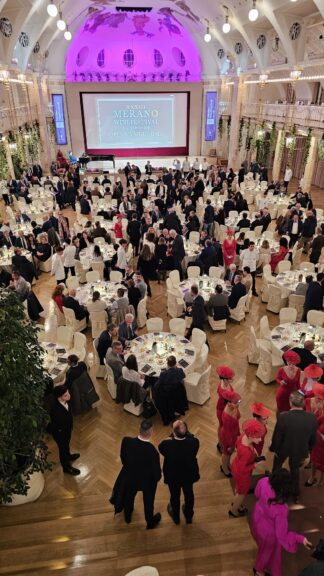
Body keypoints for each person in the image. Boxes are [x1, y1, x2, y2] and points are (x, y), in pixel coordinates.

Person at [251, 469, 313, 576]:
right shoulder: (281, 508)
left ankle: (261, 568)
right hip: (269, 533)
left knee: (264, 549)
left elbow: (257, 494)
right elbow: (282, 535)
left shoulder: (264, 481)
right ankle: (258, 570)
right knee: (266, 552)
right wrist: (300, 539)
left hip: (257, 519)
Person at [270, 390, 317, 502]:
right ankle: (295, 495)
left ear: (290, 402)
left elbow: (277, 437)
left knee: (277, 467)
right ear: (303, 403)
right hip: (300, 449)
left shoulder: (283, 417)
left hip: (283, 449)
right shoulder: (312, 418)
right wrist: (309, 449)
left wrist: (274, 449)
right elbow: (313, 438)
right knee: (295, 471)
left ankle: (273, 487)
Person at [116, 420, 161, 529]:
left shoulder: (126, 441)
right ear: (151, 431)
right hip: (147, 482)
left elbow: (123, 459)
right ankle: (150, 522)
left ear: (139, 428)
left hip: (130, 478)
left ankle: (127, 516)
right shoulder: (153, 452)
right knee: (148, 502)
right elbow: (157, 474)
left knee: (129, 497)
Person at [158, 420, 200, 525]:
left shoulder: (166, 444)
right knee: (189, 493)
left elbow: (161, 449)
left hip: (173, 476)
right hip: (188, 475)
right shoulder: (194, 442)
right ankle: (189, 515)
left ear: (174, 432)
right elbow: (192, 444)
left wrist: (170, 438)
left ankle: (176, 517)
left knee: (174, 496)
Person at [229, 419, 265, 517]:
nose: (260, 440)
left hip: (235, 466)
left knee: (238, 489)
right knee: (242, 493)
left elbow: (237, 447)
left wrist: (254, 452)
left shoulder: (243, 436)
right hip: (242, 474)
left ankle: (236, 503)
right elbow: (242, 469)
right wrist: (255, 465)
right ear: (251, 436)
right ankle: (233, 511)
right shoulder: (246, 452)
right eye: (258, 438)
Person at [50, 384, 80, 476]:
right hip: (60, 433)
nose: (69, 395)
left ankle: (69, 456)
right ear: (59, 398)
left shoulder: (65, 402)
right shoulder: (56, 410)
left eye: (68, 393)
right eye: (66, 395)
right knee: (62, 450)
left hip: (66, 430)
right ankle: (66, 468)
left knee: (66, 446)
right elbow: (55, 425)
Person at [154, 356, 188, 425]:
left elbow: (156, 386)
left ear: (167, 364)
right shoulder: (179, 370)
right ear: (175, 364)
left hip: (167, 394)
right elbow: (183, 376)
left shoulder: (163, 374)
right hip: (177, 392)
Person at [219, 390, 241, 478]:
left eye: (239, 401)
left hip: (233, 433)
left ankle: (227, 464)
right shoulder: (227, 417)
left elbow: (237, 422)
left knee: (230, 453)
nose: (238, 403)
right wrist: (231, 445)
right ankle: (224, 467)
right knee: (226, 452)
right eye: (236, 402)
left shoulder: (234, 407)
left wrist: (238, 433)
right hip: (227, 436)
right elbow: (228, 433)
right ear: (229, 403)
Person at [305, 418, 324, 487]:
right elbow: (314, 426)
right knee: (314, 461)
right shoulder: (322, 417)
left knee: (323, 465)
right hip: (317, 446)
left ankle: (321, 481)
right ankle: (312, 477)